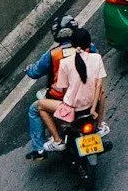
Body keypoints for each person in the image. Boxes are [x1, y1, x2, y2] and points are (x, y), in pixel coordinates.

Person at [25, 18, 109, 158]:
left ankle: (42, 148)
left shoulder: (53, 55)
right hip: (90, 101)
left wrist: (28, 69)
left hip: (66, 102)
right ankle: (99, 126)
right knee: (101, 93)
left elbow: (36, 73)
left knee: (35, 108)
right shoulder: (91, 50)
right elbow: (99, 83)